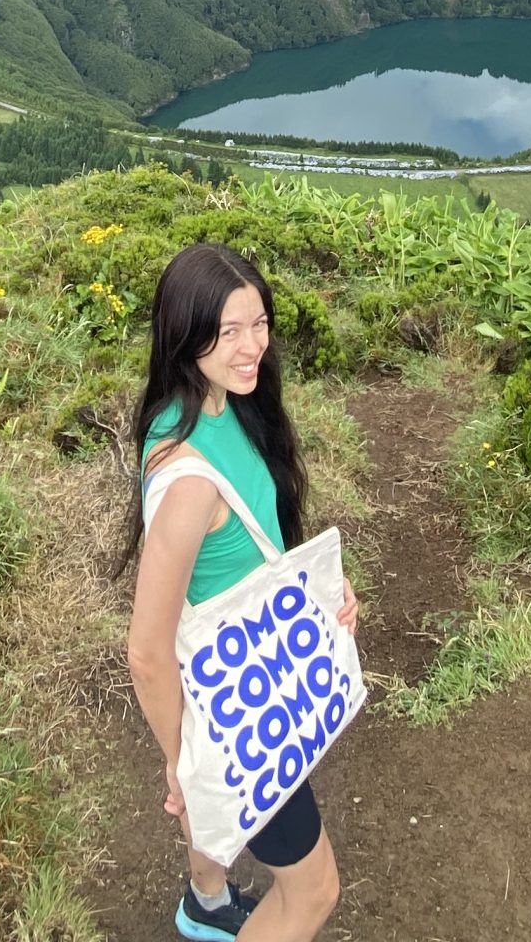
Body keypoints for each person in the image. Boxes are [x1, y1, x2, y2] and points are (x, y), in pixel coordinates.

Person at [125, 242, 355, 942]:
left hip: (248, 666)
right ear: (186, 335)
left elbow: (255, 547)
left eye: (259, 323)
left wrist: (319, 598)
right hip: (238, 722)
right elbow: (145, 652)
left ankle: (206, 898)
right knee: (314, 894)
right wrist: (186, 764)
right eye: (228, 332)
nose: (253, 345)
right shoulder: (188, 479)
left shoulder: (214, 405)